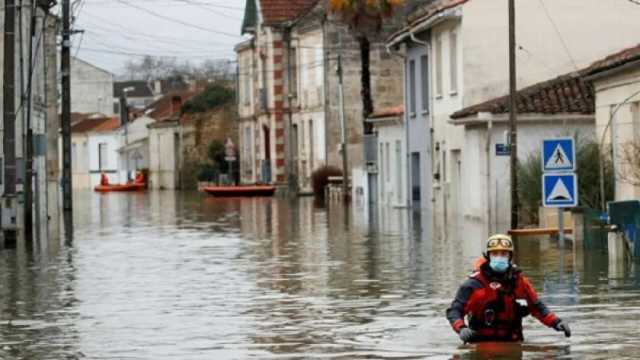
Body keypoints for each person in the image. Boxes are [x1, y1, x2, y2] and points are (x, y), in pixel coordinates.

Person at [446, 234, 571, 343]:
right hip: (481, 343)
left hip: (512, 341)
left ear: (510, 256)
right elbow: (455, 310)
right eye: (495, 253)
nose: (499, 257)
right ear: (488, 256)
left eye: (504, 253)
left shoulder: (519, 282)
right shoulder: (473, 284)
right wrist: (461, 328)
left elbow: (537, 307)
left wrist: (556, 322)